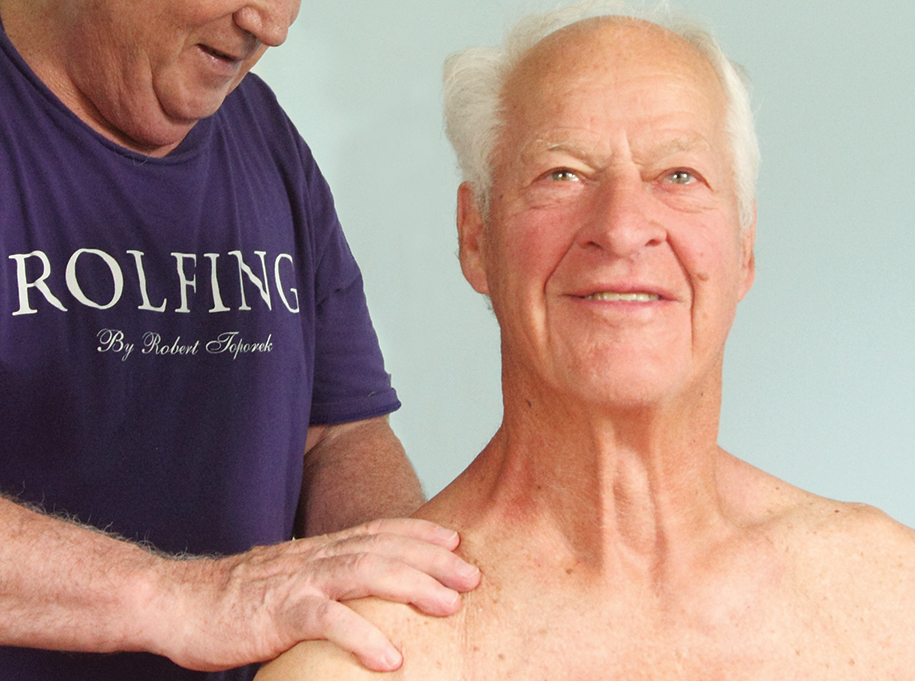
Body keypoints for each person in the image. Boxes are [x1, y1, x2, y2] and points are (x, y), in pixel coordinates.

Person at [255, 1, 915, 678]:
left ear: (743, 247)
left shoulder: (890, 597)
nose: (622, 228)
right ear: (476, 236)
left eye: (679, 176)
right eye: (562, 174)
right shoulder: (360, 660)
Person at [0, 1, 481, 680]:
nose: (272, 27)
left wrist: (405, 621)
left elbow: (340, 437)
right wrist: (177, 598)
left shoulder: (264, 134)